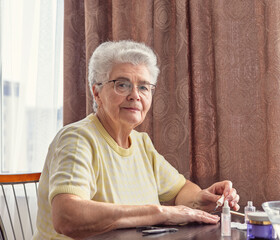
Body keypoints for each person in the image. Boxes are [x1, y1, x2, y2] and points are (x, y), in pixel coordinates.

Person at [33, 40, 240, 240]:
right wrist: (161, 212)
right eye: (122, 85)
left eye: (143, 87)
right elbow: (66, 216)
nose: (135, 95)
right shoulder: (78, 139)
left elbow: (181, 190)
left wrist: (201, 199)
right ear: (97, 92)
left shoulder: (141, 143)